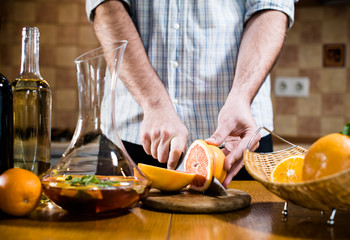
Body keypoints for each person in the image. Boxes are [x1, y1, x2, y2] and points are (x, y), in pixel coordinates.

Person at [86, 0, 295, 187]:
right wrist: (155, 104)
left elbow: (271, 8)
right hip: (131, 138)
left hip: (237, 143)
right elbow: (107, 6)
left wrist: (242, 96)